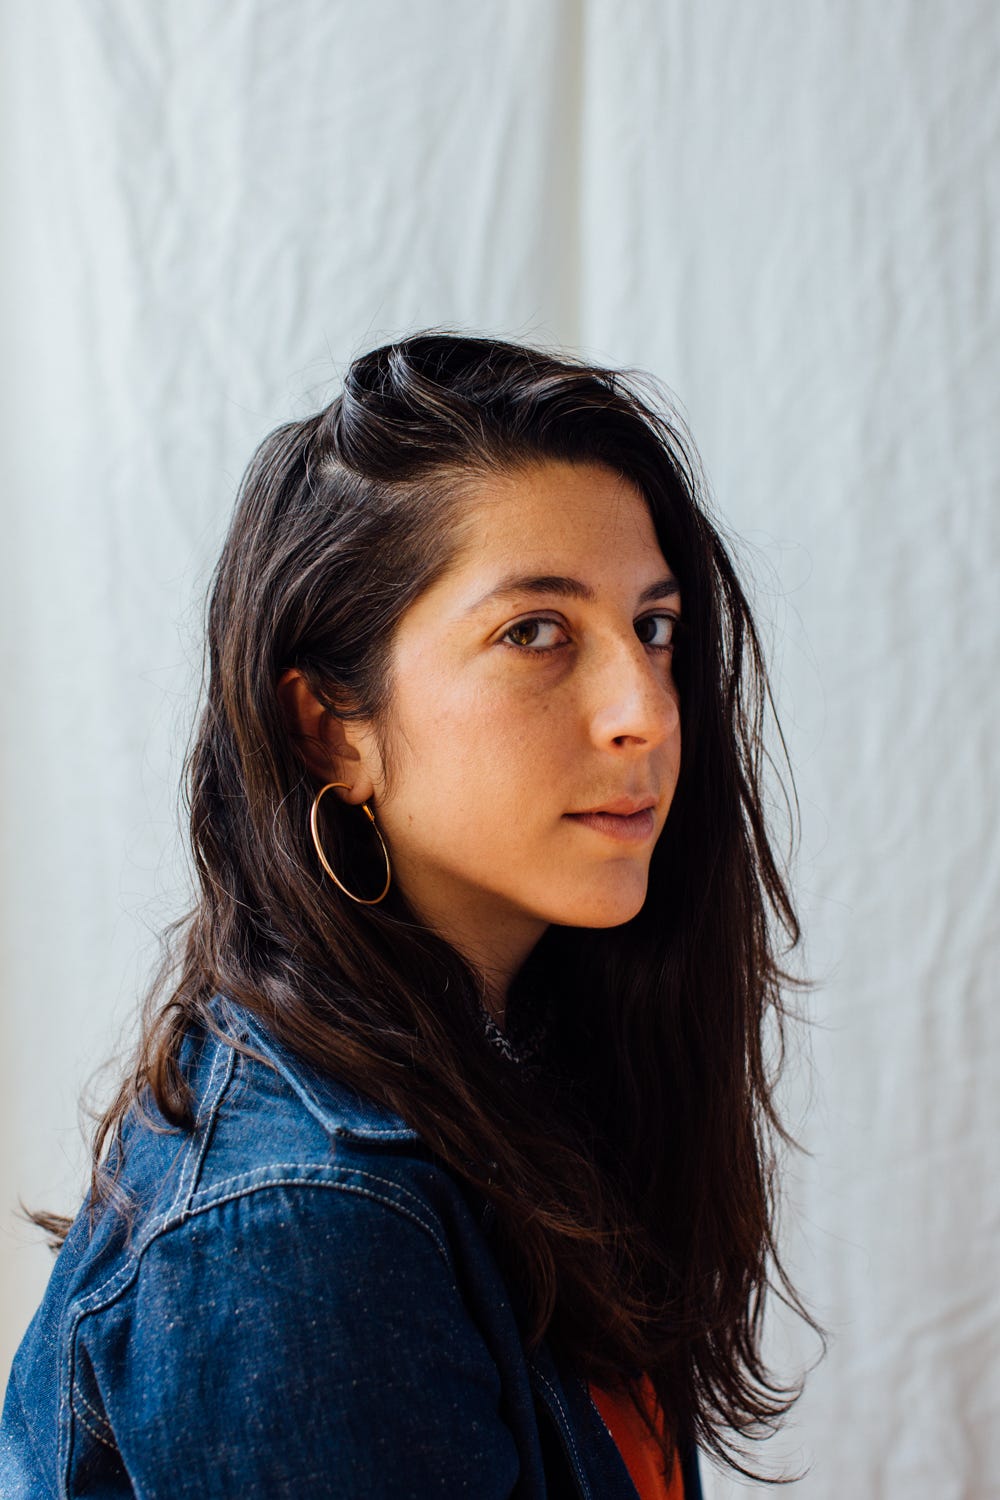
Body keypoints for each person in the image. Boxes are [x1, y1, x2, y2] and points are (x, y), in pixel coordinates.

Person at [0, 332, 818, 1498]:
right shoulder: (300, 1226)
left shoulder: (517, 1074)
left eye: (652, 627)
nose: (642, 709)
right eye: (535, 632)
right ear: (333, 729)